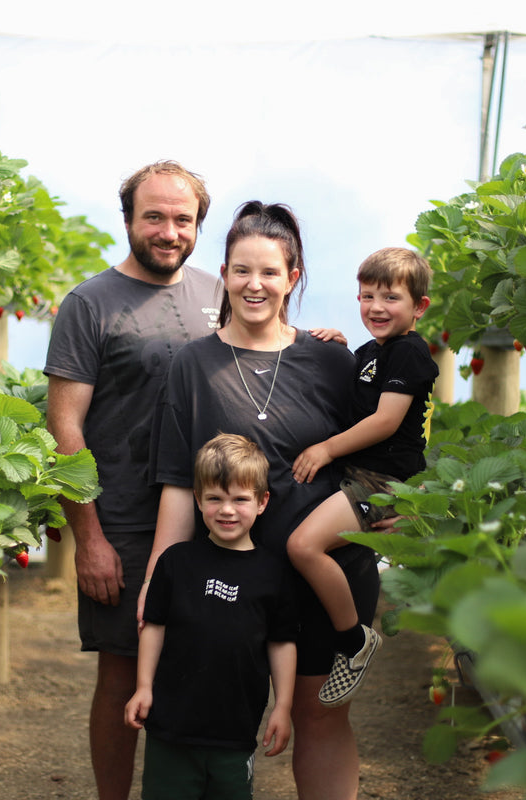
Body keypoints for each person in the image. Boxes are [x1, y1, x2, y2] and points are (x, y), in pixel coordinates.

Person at [146, 201, 377, 800]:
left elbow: (379, 453)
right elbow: (177, 482)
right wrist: (157, 581)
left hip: (330, 572)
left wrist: (393, 518)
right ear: (223, 273)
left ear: (292, 278)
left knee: (321, 717)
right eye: (242, 271)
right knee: (211, 725)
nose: (255, 285)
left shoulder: (331, 360)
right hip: (229, 586)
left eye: (270, 272)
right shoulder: (192, 364)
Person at [44, 160, 219, 800]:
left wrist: (319, 339)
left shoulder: (216, 292)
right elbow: (64, 428)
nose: (168, 231)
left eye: (183, 218)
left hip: (210, 520)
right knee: (121, 676)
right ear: (128, 221)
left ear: (198, 224)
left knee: (199, 667)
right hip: (122, 521)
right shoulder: (90, 304)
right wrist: (88, 538)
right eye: (155, 216)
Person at [286, 246, 437, 708]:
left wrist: (325, 448)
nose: (375, 307)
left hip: (381, 482)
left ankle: (354, 639)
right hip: (360, 476)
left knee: (302, 545)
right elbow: (361, 391)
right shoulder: (374, 350)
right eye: (366, 295)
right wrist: (340, 346)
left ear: (419, 307)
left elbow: (385, 421)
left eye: (390, 298)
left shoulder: (411, 351)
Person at [125, 433, 298, 800]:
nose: (227, 510)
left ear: (262, 501)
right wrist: (143, 686)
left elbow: (282, 643)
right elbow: (153, 626)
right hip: (171, 728)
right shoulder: (175, 563)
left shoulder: (274, 573)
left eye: (240, 499)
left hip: (234, 733)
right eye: (215, 498)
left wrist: (282, 706)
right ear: (197, 499)